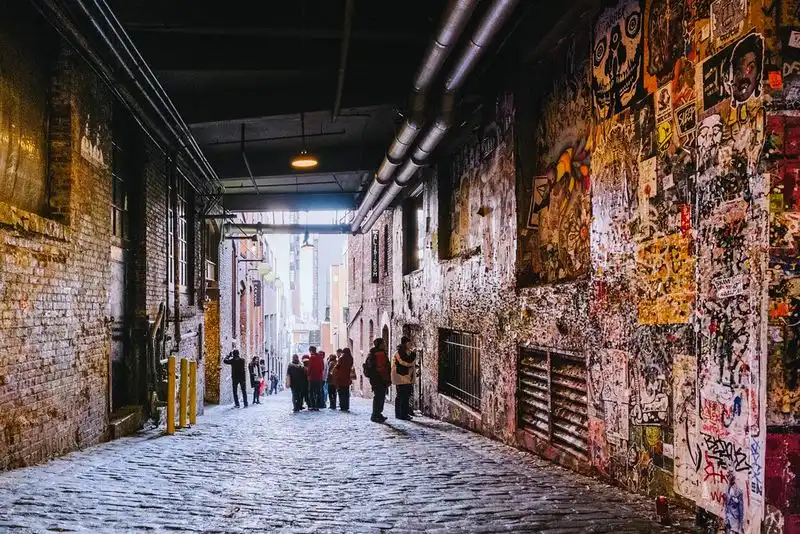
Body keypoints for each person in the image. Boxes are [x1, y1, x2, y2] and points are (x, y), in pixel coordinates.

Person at [364, 338, 391, 423]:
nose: (385, 345)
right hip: (380, 379)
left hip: (375, 379)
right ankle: (375, 415)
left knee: (378, 396)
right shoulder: (379, 354)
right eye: (383, 343)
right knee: (379, 397)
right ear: (380, 344)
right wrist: (386, 379)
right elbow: (382, 368)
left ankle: (377, 414)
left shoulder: (372, 353)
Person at [391, 337, 417, 420]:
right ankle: (401, 414)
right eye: (409, 343)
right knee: (401, 396)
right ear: (405, 344)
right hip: (400, 376)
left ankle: (403, 414)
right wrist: (413, 356)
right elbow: (404, 362)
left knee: (406, 396)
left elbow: (410, 362)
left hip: (406, 377)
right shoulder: (399, 353)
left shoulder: (407, 352)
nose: (411, 345)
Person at [333, 348, 356, 412]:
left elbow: (338, 367)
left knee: (341, 393)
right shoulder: (351, 358)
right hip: (347, 378)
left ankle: (342, 406)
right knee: (346, 393)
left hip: (341, 378)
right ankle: (346, 406)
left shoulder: (341, 358)